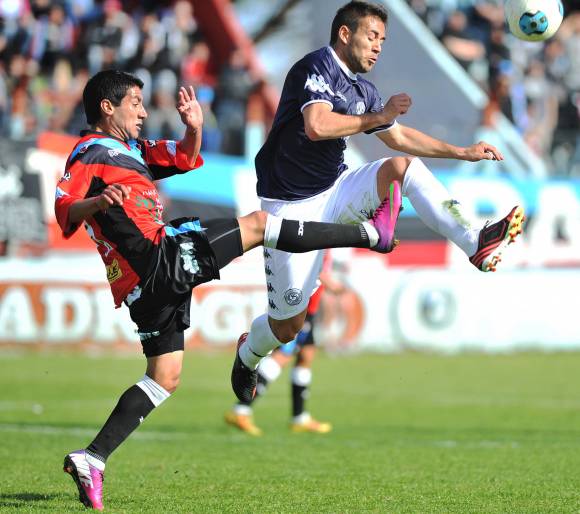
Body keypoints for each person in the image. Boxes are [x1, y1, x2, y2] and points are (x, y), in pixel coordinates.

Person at [55, 69, 402, 511]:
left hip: (143, 285)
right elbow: (64, 205)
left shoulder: (131, 150)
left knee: (164, 377)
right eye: (135, 103)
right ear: (108, 107)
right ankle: (369, 234)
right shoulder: (89, 152)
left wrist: (194, 128)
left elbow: (184, 157)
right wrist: (98, 202)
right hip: (157, 257)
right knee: (259, 225)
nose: (143, 112)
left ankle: (92, 458)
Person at [230, 0, 525, 404]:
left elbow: (398, 137)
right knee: (288, 326)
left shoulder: (363, 91)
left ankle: (475, 241)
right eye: (372, 36)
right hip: (289, 207)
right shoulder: (315, 67)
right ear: (345, 33)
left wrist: (462, 151)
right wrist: (377, 117)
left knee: (403, 167)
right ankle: (248, 352)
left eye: (382, 40)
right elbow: (317, 126)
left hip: (336, 190)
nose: (378, 47)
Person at [225, 253, 342, 435]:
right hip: (298, 310)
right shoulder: (320, 243)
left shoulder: (328, 245)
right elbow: (308, 267)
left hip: (310, 310)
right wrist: (331, 283)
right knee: (282, 356)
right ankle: (241, 409)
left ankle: (299, 417)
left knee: (306, 356)